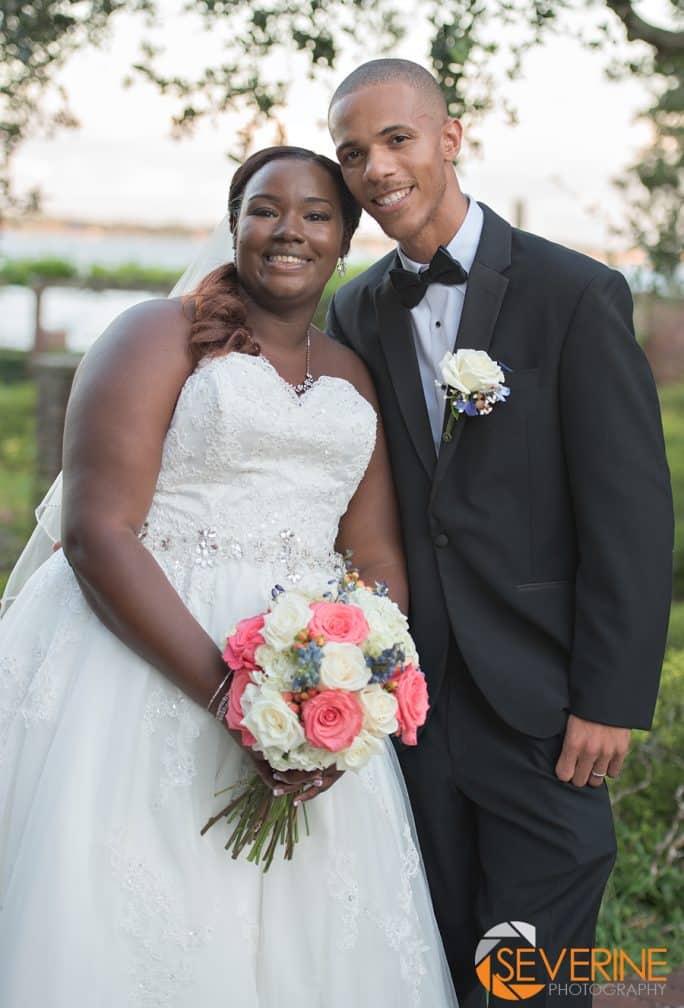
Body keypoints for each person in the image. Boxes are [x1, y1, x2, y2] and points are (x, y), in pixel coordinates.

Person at [0, 146, 459, 1007]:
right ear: (234, 223)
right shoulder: (155, 333)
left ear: (345, 237)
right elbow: (98, 532)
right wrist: (228, 699)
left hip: (306, 676)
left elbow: (379, 557)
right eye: (263, 208)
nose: (288, 229)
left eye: (316, 213)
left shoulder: (351, 375)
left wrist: (355, 693)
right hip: (140, 664)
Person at [326, 59, 674, 1007]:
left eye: (396, 139)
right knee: (440, 946)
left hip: (544, 697)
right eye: (353, 153)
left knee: (533, 966)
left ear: (451, 136)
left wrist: (611, 695)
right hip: (415, 698)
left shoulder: (575, 294)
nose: (377, 168)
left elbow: (631, 512)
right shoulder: (355, 309)